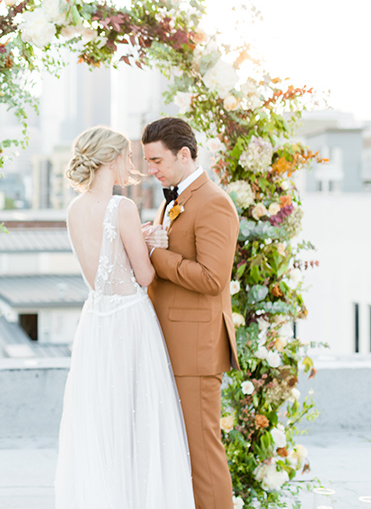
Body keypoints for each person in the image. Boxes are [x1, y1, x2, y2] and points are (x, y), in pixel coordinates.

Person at [54, 126, 195, 509]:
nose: (130, 165)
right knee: (141, 417)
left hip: (97, 320)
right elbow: (145, 276)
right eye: (127, 157)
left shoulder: (74, 209)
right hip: (130, 319)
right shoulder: (122, 207)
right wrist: (149, 244)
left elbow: (98, 269)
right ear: (110, 158)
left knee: (104, 416)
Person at [142, 116, 239, 509]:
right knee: (182, 455)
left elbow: (213, 279)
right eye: (148, 162)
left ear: (184, 155)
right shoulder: (175, 200)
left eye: (157, 161)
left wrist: (156, 255)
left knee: (203, 456)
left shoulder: (213, 202)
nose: (151, 170)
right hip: (173, 344)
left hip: (196, 351)